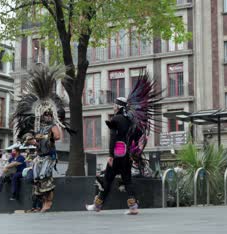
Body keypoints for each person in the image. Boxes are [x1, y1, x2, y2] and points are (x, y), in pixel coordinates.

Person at [86, 73, 161, 215]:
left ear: (118, 106)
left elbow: (113, 138)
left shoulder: (116, 119)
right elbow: (137, 135)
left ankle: (98, 205)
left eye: (114, 105)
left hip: (117, 154)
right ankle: (133, 207)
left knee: (107, 179)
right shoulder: (131, 120)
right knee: (127, 180)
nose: (113, 107)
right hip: (126, 155)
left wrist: (110, 155)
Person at [13, 64, 73, 213]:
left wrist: (46, 136)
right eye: (43, 114)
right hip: (39, 156)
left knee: (46, 178)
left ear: (50, 114)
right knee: (38, 179)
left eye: (47, 113)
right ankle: (41, 203)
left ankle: (48, 203)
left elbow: (58, 136)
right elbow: (33, 140)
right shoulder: (37, 126)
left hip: (49, 156)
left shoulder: (53, 125)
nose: (45, 116)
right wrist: (30, 139)